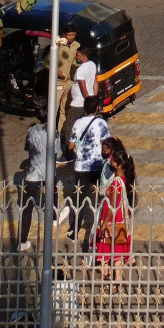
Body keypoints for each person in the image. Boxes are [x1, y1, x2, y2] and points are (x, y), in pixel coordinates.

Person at [70, 99, 111, 244]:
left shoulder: (77, 123)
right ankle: (101, 224)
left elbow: (70, 145)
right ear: (97, 108)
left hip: (80, 167)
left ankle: (74, 230)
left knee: (78, 200)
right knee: (102, 196)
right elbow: (106, 143)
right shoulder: (101, 123)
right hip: (97, 165)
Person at [94, 138, 135, 279]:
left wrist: (104, 223)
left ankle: (106, 275)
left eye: (113, 161)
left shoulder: (116, 182)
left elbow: (112, 206)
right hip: (120, 219)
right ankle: (118, 279)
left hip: (111, 220)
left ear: (118, 165)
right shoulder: (123, 180)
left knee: (105, 248)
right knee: (117, 252)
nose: (110, 162)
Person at [17, 112, 50, 251]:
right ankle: (54, 219)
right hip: (47, 172)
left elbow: (26, 147)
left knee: (27, 209)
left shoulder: (31, 130)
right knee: (51, 198)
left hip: (32, 174)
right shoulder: (53, 132)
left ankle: (22, 240)